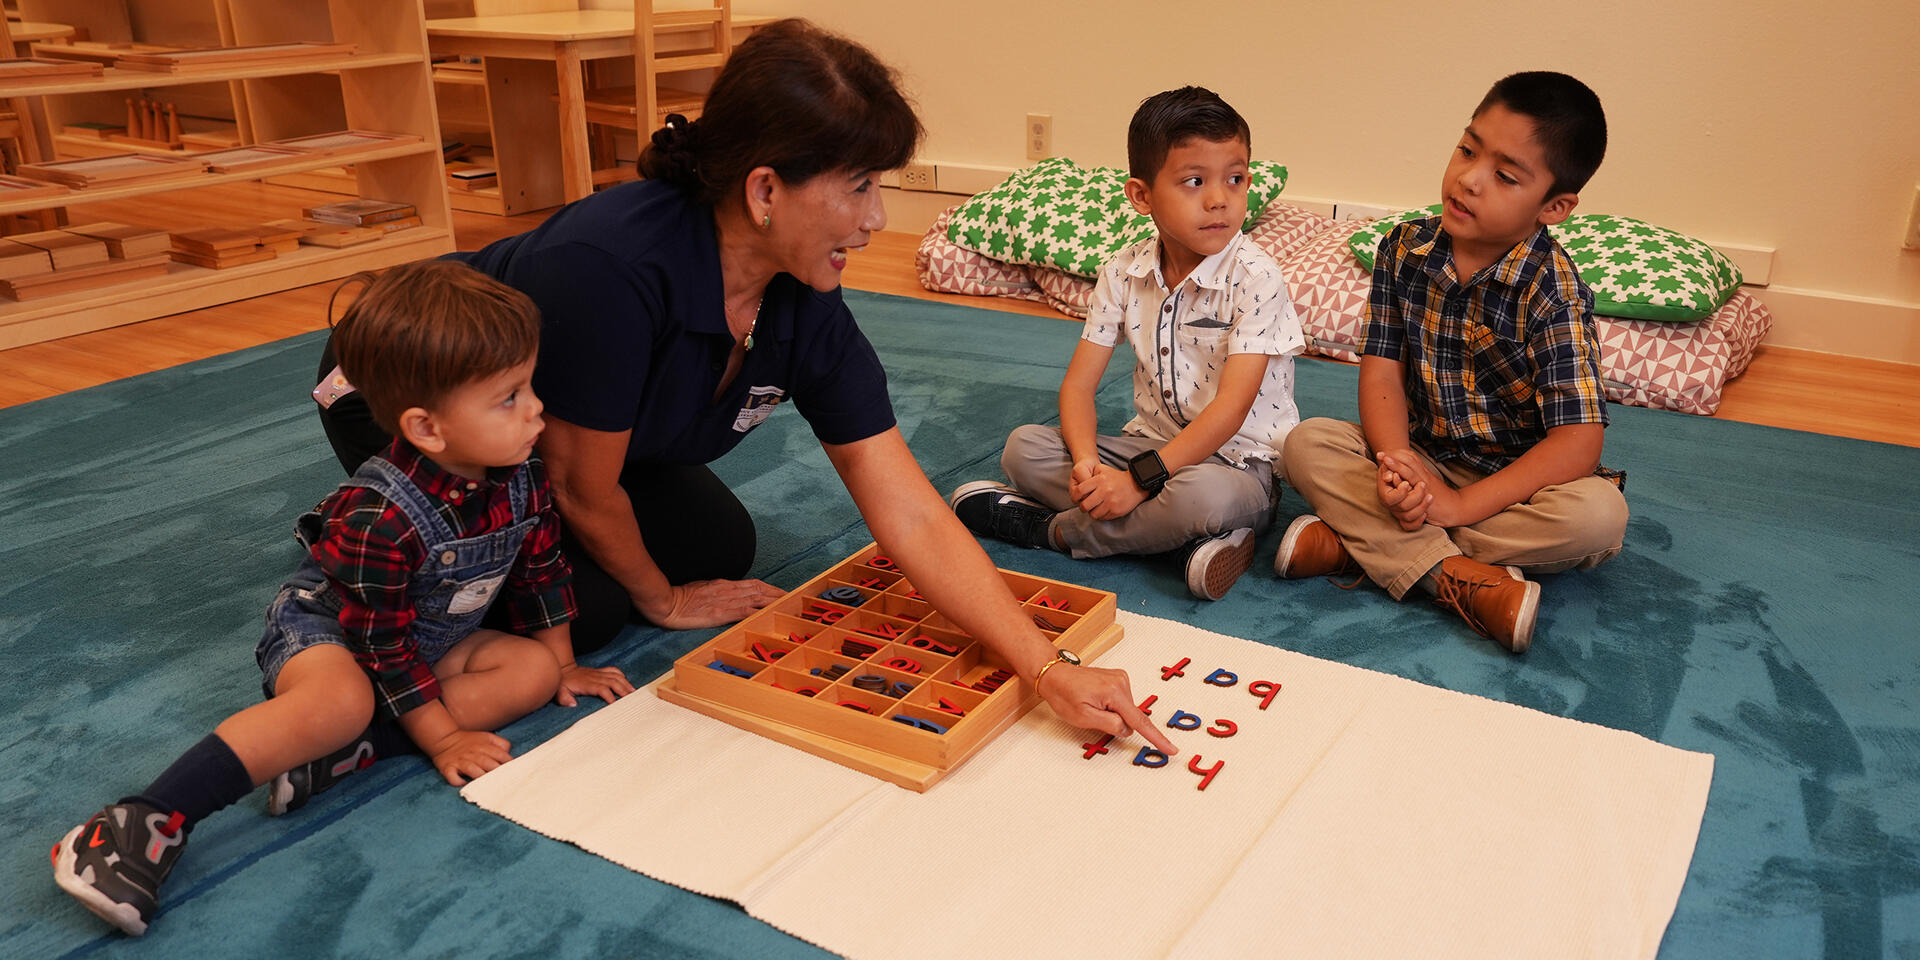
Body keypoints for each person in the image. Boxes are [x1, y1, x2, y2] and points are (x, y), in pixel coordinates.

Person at [313, 21, 1174, 757]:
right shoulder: (607, 269)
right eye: (861, 188)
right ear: (765, 190)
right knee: (602, 605)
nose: (877, 220)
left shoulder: (806, 299)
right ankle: (378, 522)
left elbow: (908, 508)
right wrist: (659, 598)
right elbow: (577, 483)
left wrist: (1047, 667)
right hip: (417, 390)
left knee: (717, 544)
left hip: (581, 427)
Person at [51, 262, 633, 937]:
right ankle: (137, 821)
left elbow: (540, 570)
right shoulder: (377, 513)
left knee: (530, 672)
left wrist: (561, 663)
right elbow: (378, 643)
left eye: (528, 385)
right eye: (509, 397)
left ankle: (349, 751)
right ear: (428, 428)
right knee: (341, 700)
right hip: (330, 634)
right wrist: (442, 739)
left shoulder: (522, 475)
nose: (536, 408)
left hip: (428, 639)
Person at [1277, 71, 1628, 653]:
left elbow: (1577, 444)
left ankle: (1362, 545)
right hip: (1421, 460)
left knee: (1598, 519)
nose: (1468, 179)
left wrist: (1459, 505)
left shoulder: (1554, 290)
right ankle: (1457, 576)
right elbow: (1382, 368)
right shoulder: (1404, 250)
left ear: (1555, 206)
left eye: (1505, 175)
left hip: (1517, 487)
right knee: (1304, 444)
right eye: (1467, 149)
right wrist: (1393, 465)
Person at [949, 86, 1305, 602]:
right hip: (1149, 449)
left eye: (1236, 178)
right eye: (1194, 181)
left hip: (1237, 469)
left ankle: (1053, 531)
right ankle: (1176, 543)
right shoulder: (1123, 270)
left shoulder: (1257, 277)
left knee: (1200, 495)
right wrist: (1088, 466)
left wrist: (1136, 485)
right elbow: (1077, 387)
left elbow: (1230, 411)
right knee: (1024, 448)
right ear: (1141, 196)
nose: (1219, 199)